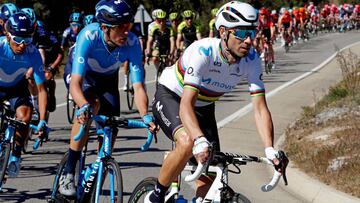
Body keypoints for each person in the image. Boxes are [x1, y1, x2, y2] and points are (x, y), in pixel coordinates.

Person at [146, 2, 284, 202]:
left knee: (209, 179)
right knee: (187, 142)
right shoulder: (203, 52)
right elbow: (186, 105)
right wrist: (199, 139)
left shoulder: (251, 59)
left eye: (252, 33)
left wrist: (269, 148)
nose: (247, 40)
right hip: (173, 95)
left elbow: (260, 108)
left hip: (203, 106)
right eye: (241, 33)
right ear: (223, 32)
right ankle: (155, 196)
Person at [58, 0, 157, 197]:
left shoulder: (132, 43)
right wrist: (83, 106)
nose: (126, 31)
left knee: (110, 131)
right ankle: (69, 171)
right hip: (83, 74)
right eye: (120, 27)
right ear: (104, 27)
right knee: (90, 106)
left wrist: (146, 115)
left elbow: (138, 86)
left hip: (107, 79)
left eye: (128, 25)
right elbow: (76, 83)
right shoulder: (89, 35)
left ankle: (92, 187)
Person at [0, 12, 48, 178]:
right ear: (7, 36)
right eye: (18, 40)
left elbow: (41, 90)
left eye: (27, 40)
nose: (22, 45)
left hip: (16, 87)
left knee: (25, 116)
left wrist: (42, 120)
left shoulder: (33, 53)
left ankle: (16, 155)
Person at [22, 7, 63, 114]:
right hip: (32, 51)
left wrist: (48, 68)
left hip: (49, 52)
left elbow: (42, 57)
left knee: (45, 76)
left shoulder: (41, 32)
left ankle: (50, 92)